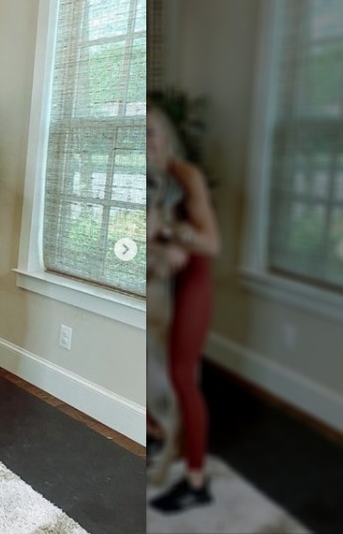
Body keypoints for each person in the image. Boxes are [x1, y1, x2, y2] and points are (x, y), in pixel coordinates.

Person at [145, 102, 221, 513]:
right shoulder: (144, 179)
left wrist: (170, 231)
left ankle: (196, 480)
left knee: (180, 376)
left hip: (192, 283)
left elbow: (210, 243)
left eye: (151, 132)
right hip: (158, 281)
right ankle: (162, 440)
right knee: (150, 370)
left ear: (167, 137)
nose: (146, 142)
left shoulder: (183, 176)